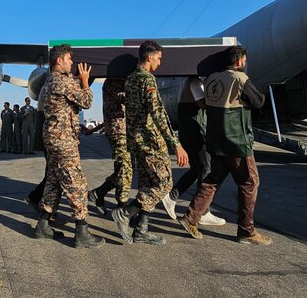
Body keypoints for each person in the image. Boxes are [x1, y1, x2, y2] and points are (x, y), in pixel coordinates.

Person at [178, 46, 272, 245]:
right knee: (249, 182)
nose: (244, 63)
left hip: (216, 139)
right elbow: (258, 102)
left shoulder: (211, 79)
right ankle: (246, 230)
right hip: (236, 138)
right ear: (238, 61)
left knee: (212, 180)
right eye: (244, 60)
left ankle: (191, 217)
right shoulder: (240, 79)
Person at [112, 40, 189, 246]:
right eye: (158, 58)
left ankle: (141, 230)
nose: (160, 63)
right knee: (164, 183)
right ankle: (125, 214)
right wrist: (176, 144)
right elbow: (158, 113)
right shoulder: (147, 80)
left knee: (147, 183)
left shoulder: (130, 79)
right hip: (150, 140)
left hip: (136, 141)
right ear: (149, 56)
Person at [36, 44, 104, 248]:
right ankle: (82, 232)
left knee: (54, 182)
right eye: (69, 59)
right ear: (59, 61)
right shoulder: (62, 81)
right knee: (77, 184)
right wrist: (85, 82)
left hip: (54, 138)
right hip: (63, 140)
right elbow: (87, 102)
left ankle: (42, 226)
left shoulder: (50, 81)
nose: (72, 63)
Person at [160, 77, 225, 225]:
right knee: (206, 169)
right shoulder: (194, 81)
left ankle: (172, 196)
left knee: (196, 169)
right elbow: (203, 104)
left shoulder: (190, 81)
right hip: (195, 132)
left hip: (188, 132)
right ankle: (203, 211)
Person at [88, 78, 133, 214]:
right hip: (119, 131)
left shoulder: (117, 80)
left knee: (123, 168)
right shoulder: (115, 81)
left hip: (122, 130)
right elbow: (125, 99)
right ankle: (121, 207)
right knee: (125, 169)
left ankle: (101, 194)